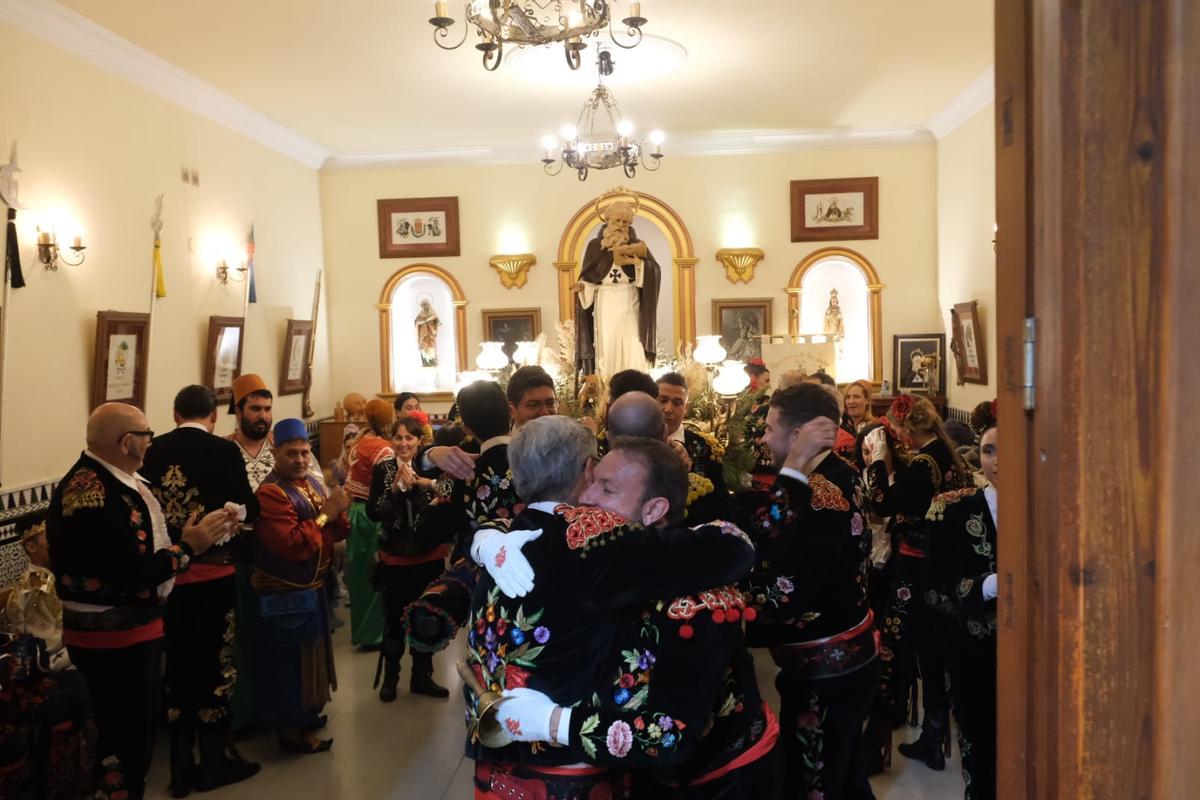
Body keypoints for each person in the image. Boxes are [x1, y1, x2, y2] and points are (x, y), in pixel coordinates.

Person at [463, 415, 756, 798]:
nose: (589, 499)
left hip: (499, 760)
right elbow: (731, 548)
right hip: (564, 771)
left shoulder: (516, 537)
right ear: (586, 467)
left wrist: (481, 538)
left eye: (607, 488)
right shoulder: (584, 538)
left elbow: (671, 733)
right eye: (596, 481)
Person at [47, 403, 231, 799]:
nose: (152, 440)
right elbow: (131, 574)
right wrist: (189, 548)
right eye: (146, 433)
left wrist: (183, 538)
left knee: (131, 740)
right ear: (127, 442)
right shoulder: (92, 492)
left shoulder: (115, 481)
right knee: (123, 743)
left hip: (132, 636)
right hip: (114, 643)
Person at [744, 383, 879, 800]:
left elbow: (788, 592)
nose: (763, 438)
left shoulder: (819, 496)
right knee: (845, 773)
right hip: (849, 652)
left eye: (770, 427)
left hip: (827, 667)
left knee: (815, 782)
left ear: (801, 432)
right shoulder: (838, 470)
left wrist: (730, 603)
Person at [139, 385, 261, 796]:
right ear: (212, 416)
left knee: (176, 669)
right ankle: (212, 764)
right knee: (216, 667)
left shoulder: (150, 450)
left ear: (175, 413)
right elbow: (249, 508)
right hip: (212, 577)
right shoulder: (223, 452)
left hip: (167, 580)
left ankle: (178, 769)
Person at [859, 395, 973, 774]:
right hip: (942, 570)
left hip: (914, 569)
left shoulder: (923, 464)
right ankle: (933, 736)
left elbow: (882, 503)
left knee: (894, 648)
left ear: (907, 432)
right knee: (931, 651)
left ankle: (875, 743)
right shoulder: (949, 455)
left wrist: (877, 463)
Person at [402, 381, 524, 662]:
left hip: (483, 578)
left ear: (467, 427)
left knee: (490, 654)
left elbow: (431, 528)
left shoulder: (462, 469)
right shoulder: (534, 459)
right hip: (535, 570)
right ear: (510, 412)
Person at [251, 419, 350, 754]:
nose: (300, 459)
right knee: (291, 666)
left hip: (313, 588)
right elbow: (293, 543)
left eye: (305, 452)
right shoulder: (270, 493)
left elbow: (337, 530)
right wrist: (326, 515)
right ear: (276, 453)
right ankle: (292, 731)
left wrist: (339, 511)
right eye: (291, 453)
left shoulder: (311, 482)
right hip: (286, 595)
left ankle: (307, 715)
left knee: (314, 658)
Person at [924, 400, 998, 800]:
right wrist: (986, 586)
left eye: (1005, 449)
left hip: (1039, 657)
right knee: (982, 750)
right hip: (975, 654)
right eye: (988, 450)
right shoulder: (954, 511)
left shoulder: (1053, 510)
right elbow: (934, 590)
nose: (997, 460)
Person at [0, 509, 95, 799]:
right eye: (49, 538)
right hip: (49, 669)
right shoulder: (35, 591)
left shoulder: (60, 578)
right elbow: (47, 650)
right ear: (31, 546)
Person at [367, 413, 447, 701]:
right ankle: (391, 677)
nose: (403, 443)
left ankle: (422, 676)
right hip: (396, 556)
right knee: (394, 619)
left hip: (428, 555)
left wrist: (423, 484)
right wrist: (394, 493)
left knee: (426, 617)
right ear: (392, 439)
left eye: (409, 438)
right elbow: (373, 512)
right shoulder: (383, 469)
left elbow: (449, 494)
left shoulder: (432, 468)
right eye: (398, 437)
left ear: (419, 441)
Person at [225, 373, 274, 731]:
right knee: (246, 635)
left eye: (267, 408)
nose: (263, 416)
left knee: (280, 636)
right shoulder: (224, 452)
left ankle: (280, 710)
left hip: (282, 556)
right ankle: (247, 712)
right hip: (242, 556)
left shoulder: (283, 450)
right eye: (255, 408)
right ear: (238, 411)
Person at [573, 199, 662, 381]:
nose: (622, 226)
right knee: (609, 344)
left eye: (626, 222)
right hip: (605, 300)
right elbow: (589, 278)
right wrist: (583, 287)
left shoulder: (637, 244)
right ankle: (608, 386)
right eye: (618, 221)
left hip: (630, 299)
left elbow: (655, 271)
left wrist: (638, 264)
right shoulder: (594, 246)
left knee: (632, 343)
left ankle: (635, 384)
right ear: (608, 220)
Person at [343, 399, 396, 648]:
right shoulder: (383, 449)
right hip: (370, 515)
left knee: (359, 576)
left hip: (354, 511)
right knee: (376, 574)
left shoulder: (358, 443)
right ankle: (375, 632)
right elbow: (387, 490)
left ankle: (363, 631)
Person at [656, 372, 734, 525]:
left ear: (686, 407)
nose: (668, 409)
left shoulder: (706, 448)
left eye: (677, 403)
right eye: (662, 400)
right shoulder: (638, 444)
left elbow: (722, 505)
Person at [415, 296, 440, 367]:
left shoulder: (432, 312)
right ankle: (425, 362)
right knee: (423, 347)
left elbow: (437, 320)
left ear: (428, 304)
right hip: (422, 334)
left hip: (430, 333)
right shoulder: (421, 313)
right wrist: (423, 321)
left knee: (431, 346)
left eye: (425, 304)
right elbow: (417, 322)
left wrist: (428, 320)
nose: (423, 306)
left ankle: (432, 361)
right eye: (422, 305)